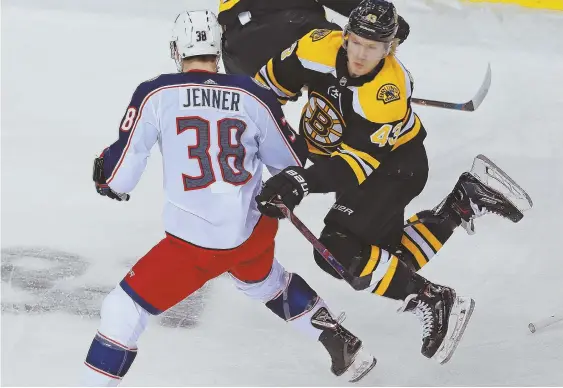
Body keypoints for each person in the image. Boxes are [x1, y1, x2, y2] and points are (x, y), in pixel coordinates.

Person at [83, 10, 376, 386]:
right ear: (218, 50)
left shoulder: (156, 93)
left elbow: (120, 176)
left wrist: (104, 175)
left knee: (122, 309)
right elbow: (289, 164)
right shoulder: (253, 94)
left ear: (177, 50)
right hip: (252, 234)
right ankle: (339, 341)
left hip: (195, 246)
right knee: (265, 282)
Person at [254, 0, 527, 363]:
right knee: (387, 263)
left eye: (374, 47)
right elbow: (260, 91)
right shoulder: (314, 45)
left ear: (390, 48)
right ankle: (462, 203)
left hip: (394, 169)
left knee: (337, 251)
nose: (362, 55)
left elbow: (352, 167)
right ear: (345, 36)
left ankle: (432, 297)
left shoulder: (386, 94)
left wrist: (298, 181)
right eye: (357, 42)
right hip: (354, 163)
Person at [218, 0, 410, 76]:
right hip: (285, 29)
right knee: (359, 45)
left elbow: (225, 16)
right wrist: (393, 24)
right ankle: (382, 93)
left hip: (235, 50)